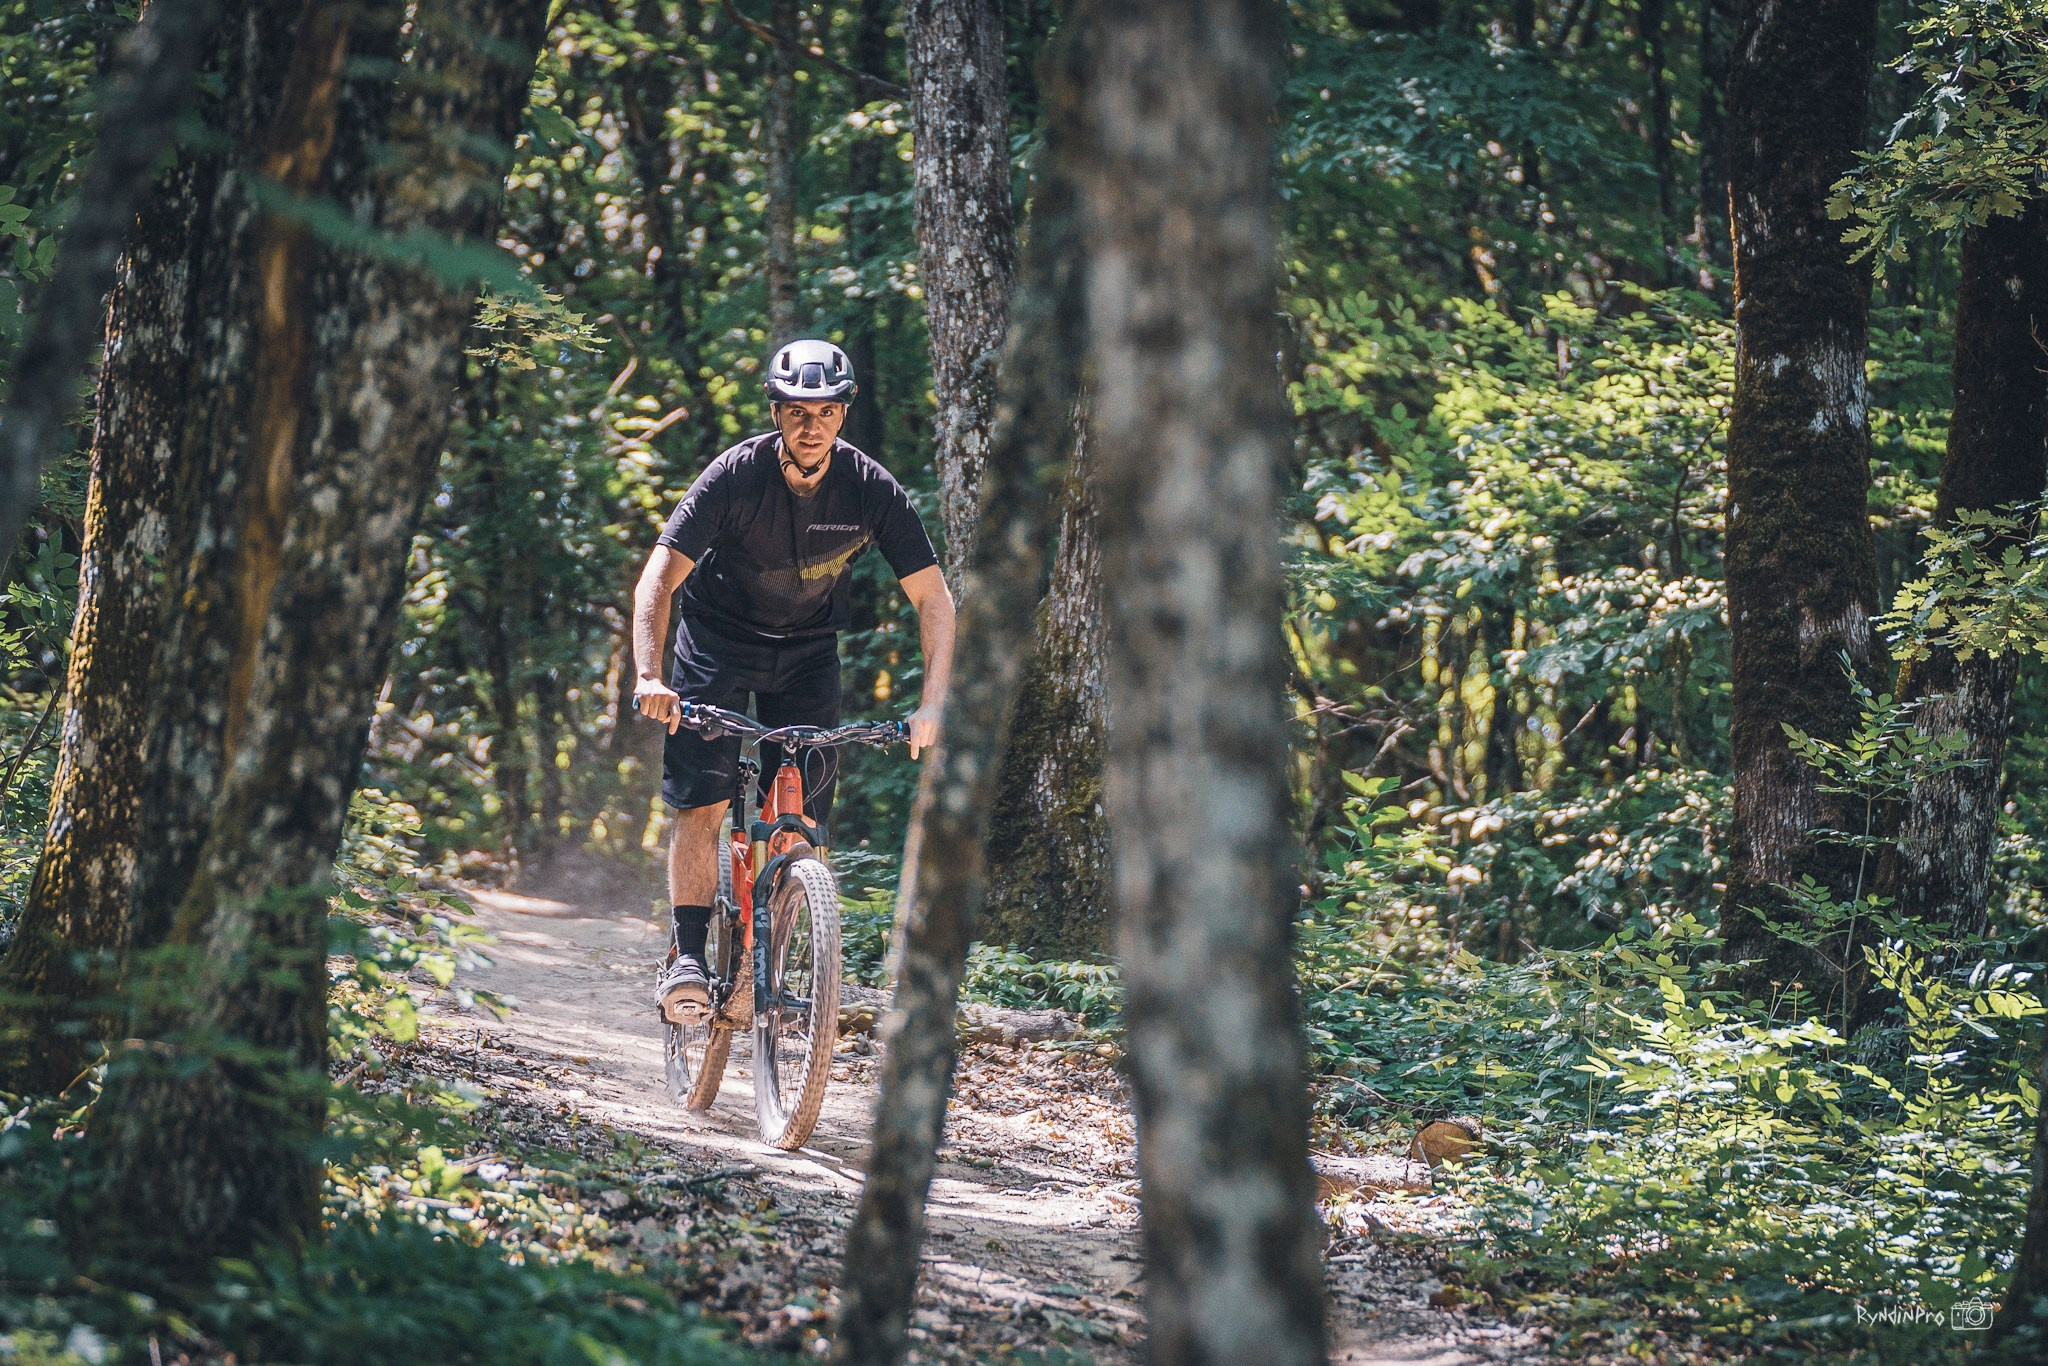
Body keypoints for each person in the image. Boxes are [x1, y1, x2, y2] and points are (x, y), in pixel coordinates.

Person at [633, 339, 954, 1020]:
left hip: (807, 651)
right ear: (777, 413)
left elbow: (934, 601)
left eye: (827, 412)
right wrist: (648, 675)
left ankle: (764, 964)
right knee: (707, 801)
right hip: (716, 643)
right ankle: (689, 955)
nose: (813, 426)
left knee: (799, 820)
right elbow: (657, 581)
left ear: (843, 415)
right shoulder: (735, 477)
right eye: (798, 412)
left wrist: (934, 704)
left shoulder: (869, 489)